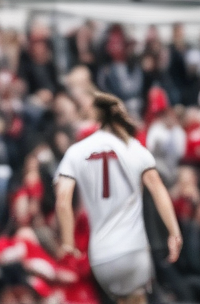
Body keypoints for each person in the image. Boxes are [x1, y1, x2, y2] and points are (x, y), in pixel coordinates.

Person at [55, 92, 182, 304]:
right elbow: (157, 188)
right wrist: (174, 232)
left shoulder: (80, 147)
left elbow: (63, 201)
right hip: (131, 242)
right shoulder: (132, 145)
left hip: (101, 249)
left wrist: (68, 242)